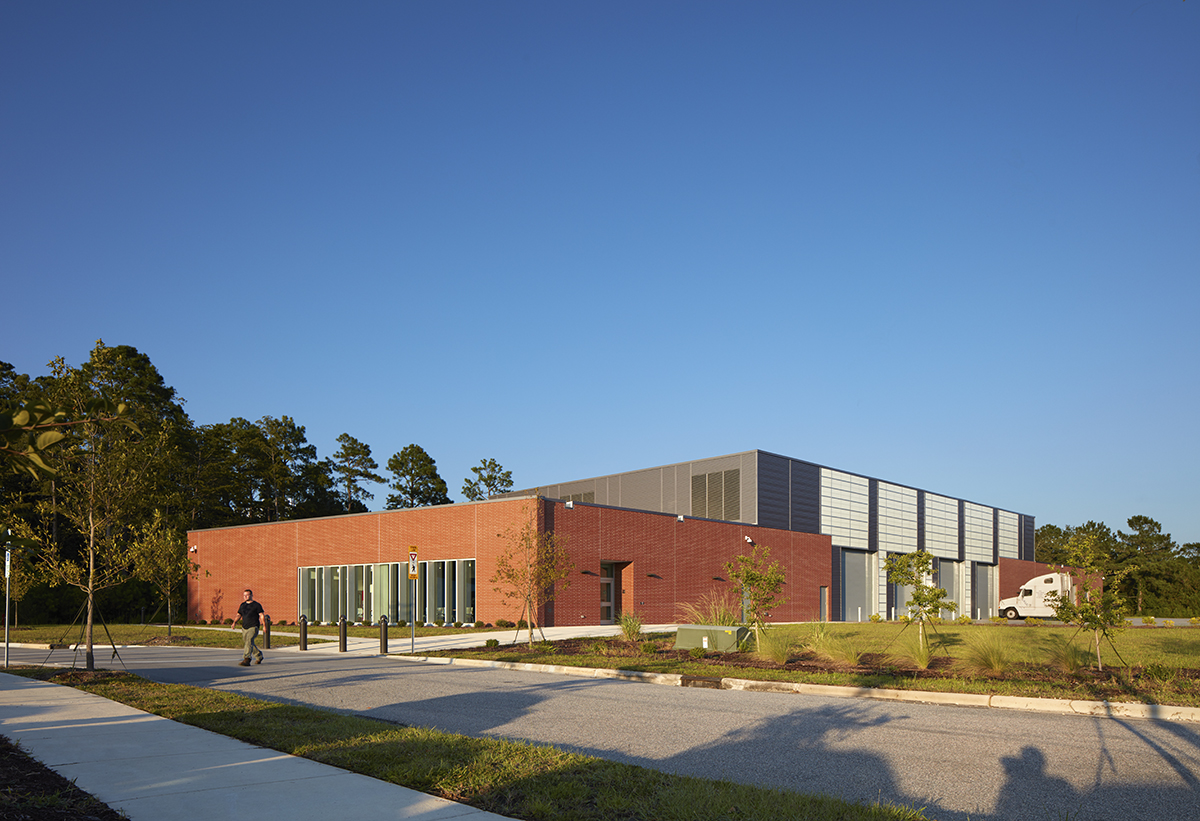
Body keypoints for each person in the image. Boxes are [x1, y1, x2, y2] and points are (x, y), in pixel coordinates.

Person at [233, 588, 268, 666]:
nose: (245, 597)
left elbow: (262, 615)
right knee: (248, 643)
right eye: (244, 595)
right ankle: (259, 655)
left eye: (247, 595)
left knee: (249, 641)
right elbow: (239, 615)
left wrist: (264, 626)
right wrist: (234, 622)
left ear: (251, 595)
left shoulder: (256, 605)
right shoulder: (243, 605)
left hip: (253, 626)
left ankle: (247, 659)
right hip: (245, 627)